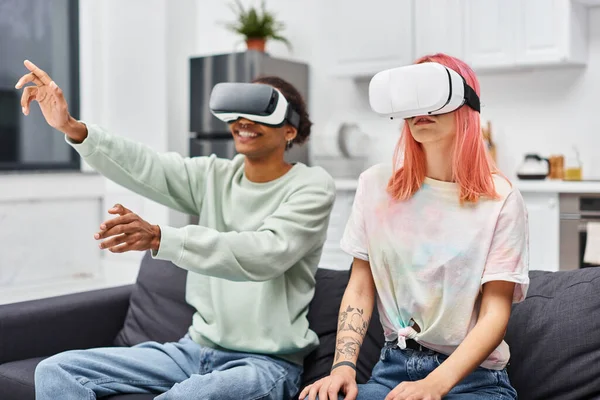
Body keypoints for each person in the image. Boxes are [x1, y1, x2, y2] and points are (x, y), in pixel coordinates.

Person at [15, 60, 336, 400]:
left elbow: (265, 252)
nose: (243, 122)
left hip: (264, 364)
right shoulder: (213, 176)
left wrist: (160, 237)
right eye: (238, 112)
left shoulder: (311, 186)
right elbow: (146, 166)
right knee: (56, 371)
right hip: (193, 350)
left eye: (259, 113)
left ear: (290, 130)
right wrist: (72, 127)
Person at [300, 53, 529, 400]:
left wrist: (433, 385)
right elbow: (361, 286)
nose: (422, 107)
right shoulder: (374, 186)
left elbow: (495, 314)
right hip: (391, 370)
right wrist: (342, 367)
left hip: (475, 381)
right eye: (412, 96)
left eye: (434, 94)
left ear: (465, 102)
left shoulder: (502, 200)